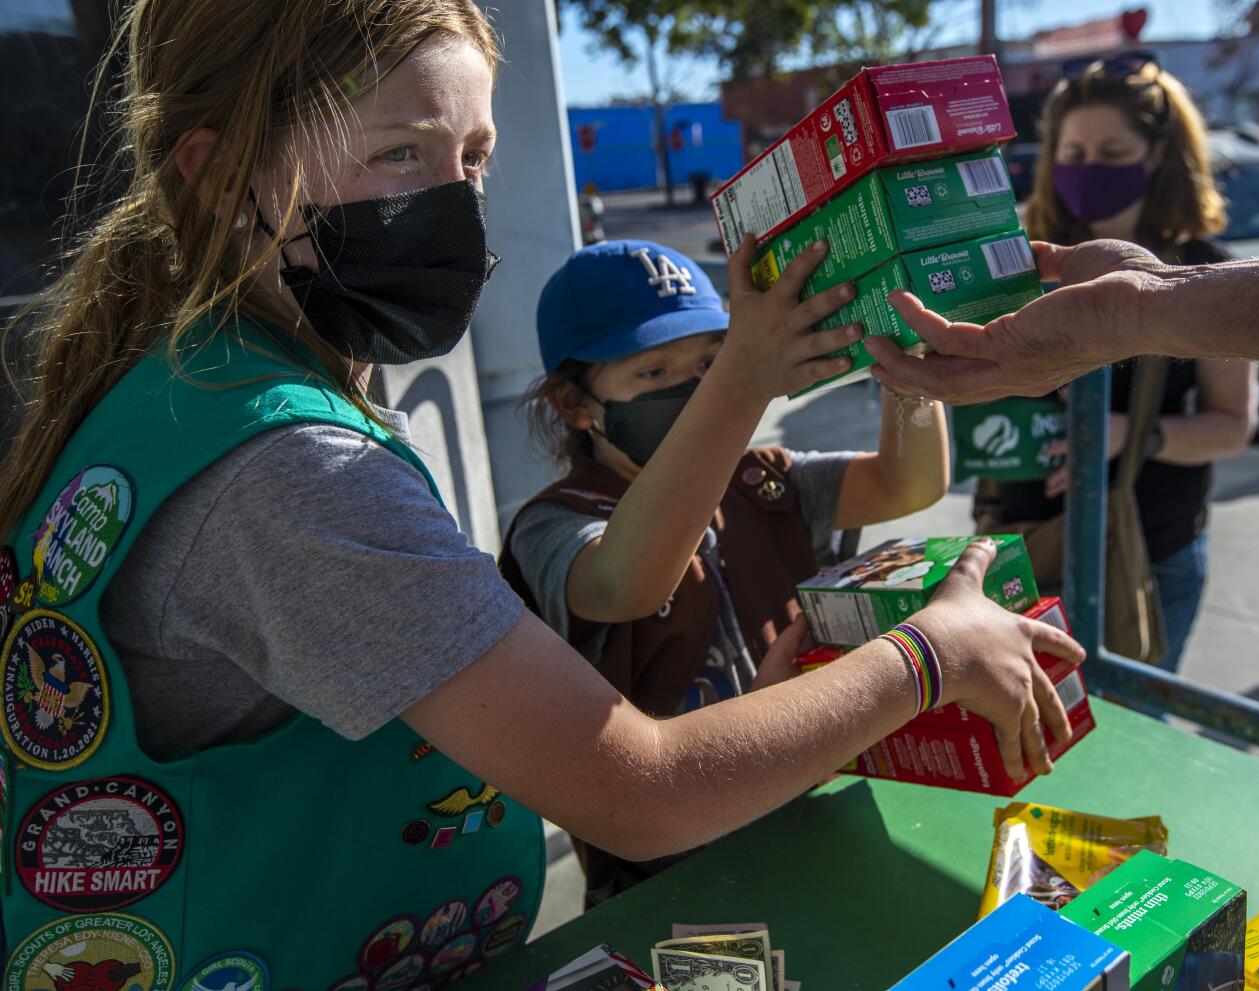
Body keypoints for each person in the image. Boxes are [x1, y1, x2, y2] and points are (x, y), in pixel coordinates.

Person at [0, 0, 1081, 972]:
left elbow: (895, 481)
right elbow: (636, 788)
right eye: (397, 154)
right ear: (220, 170)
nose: (454, 206)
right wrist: (930, 654)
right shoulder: (288, 472)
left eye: (471, 157)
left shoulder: (190, 387)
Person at [499, 238, 950, 904]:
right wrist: (737, 383)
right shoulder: (554, 525)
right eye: (652, 374)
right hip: (668, 883)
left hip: (806, 819)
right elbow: (626, 582)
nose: (692, 387)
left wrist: (902, 360)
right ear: (575, 404)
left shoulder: (762, 479)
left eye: (710, 361)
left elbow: (906, 484)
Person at [971, 56, 1256, 672]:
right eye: (1072, 153)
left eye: (1111, 151)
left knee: (1135, 736)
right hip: (1018, 542)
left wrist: (1131, 435)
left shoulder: (1208, 272)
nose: (1088, 169)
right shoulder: (1017, 259)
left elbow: (1230, 425)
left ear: (1156, 156)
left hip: (1151, 557)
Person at [865, 220, 1259, 401]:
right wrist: (1140, 304)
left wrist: (1139, 307)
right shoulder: (1047, 262)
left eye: (1112, 151)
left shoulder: (1204, 256)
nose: (1090, 171)